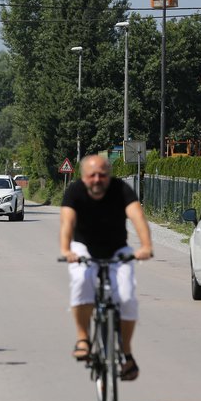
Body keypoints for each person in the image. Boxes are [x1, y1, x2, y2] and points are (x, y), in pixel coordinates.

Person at [59, 155, 153, 382]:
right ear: (84, 177)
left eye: (102, 174)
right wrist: (66, 250)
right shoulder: (74, 191)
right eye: (92, 175)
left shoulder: (121, 189)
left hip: (116, 249)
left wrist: (146, 246)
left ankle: (126, 352)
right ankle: (83, 338)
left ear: (109, 175)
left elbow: (137, 216)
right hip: (83, 247)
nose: (97, 179)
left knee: (128, 297)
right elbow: (67, 222)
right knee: (82, 280)